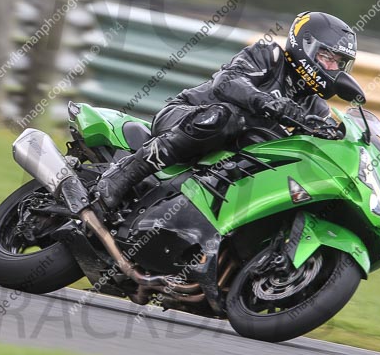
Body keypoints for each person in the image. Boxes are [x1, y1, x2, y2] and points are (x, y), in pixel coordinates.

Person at [95, 11, 357, 210]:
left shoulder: (315, 108)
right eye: (327, 56)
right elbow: (227, 82)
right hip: (186, 115)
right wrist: (268, 103)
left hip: (226, 163)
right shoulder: (270, 56)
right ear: (307, 44)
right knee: (227, 118)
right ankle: (126, 172)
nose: (332, 67)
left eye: (339, 63)